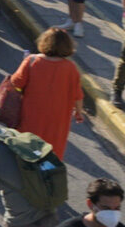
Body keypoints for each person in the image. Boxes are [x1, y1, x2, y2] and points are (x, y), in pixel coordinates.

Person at [13, 28, 85, 160]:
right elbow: (77, 96)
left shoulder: (31, 61)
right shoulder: (71, 68)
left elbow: (16, 83)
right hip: (57, 122)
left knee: (26, 151)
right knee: (51, 155)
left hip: (30, 116)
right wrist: (79, 112)